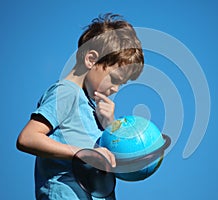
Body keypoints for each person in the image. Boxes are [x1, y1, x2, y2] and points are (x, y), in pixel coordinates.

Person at [16, 13, 144, 200]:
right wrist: (83, 154)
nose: (116, 88)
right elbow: (27, 138)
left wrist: (110, 126)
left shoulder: (92, 109)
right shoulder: (67, 92)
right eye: (115, 79)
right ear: (91, 59)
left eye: (121, 84)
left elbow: (112, 162)